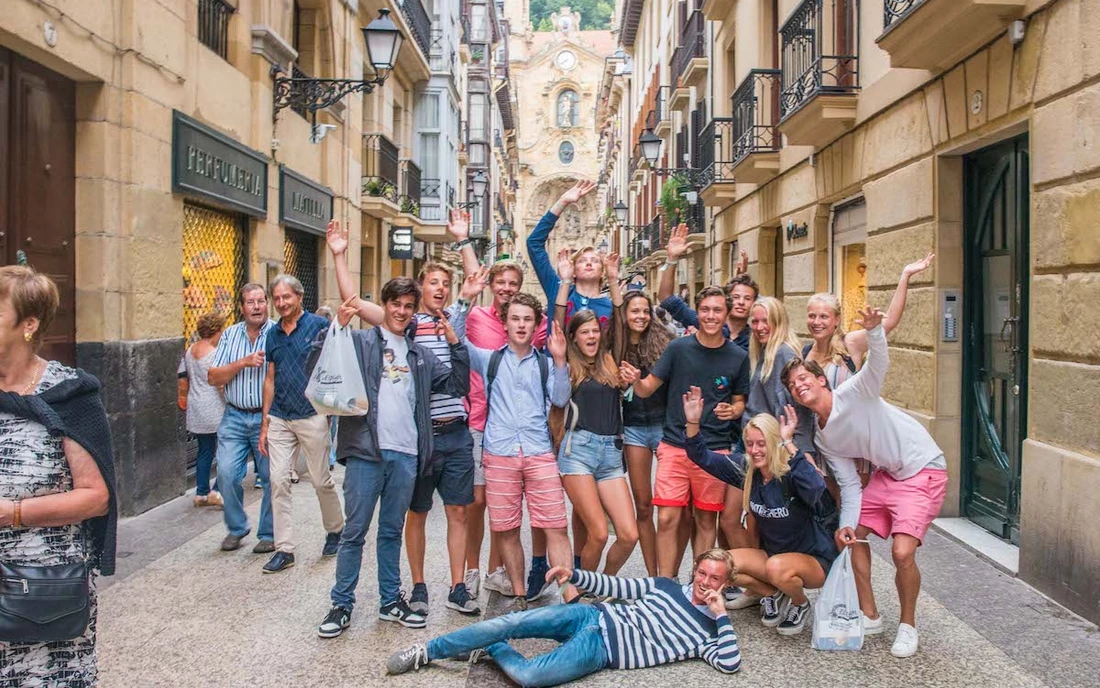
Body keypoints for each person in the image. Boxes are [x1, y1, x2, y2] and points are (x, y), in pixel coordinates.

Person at [326, 219, 482, 617]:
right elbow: (352, 303)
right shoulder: (393, 330)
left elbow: (472, 285)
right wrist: (339, 254)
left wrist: (463, 240)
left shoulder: (444, 330)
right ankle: (353, 602)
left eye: (444, 285)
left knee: (395, 528)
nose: (401, 310)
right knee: (365, 528)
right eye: (432, 283)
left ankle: (403, 596)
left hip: (418, 445)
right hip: (382, 444)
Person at [783, 306, 949, 658]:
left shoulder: (855, 392)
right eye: (793, 386)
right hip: (889, 475)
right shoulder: (824, 438)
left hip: (923, 468)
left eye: (804, 379)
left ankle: (907, 626)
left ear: (822, 380)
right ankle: (869, 614)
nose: (799, 386)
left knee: (903, 552)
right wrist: (845, 524)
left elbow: (878, 366)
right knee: (852, 535)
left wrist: (874, 332)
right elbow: (851, 487)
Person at [385, 548, 742, 685]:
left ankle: (493, 648)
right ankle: (427, 650)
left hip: (603, 650)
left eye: (715, 578)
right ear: (694, 570)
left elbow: (729, 663)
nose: (705, 582)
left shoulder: (708, 633)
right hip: (593, 613)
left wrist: (721, 615)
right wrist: (575, 576)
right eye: (702, 573)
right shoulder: (666, 586)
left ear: (725, 584)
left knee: (529, 677)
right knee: (513, 622)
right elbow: (618, 585)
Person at [0, 265, 115, 685]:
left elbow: (95, 497)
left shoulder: (69, 395)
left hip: (41, 591)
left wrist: (12, 512)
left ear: (28, 324)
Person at [444, 211, 551, 602]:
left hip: (516, 426)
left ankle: (495, 571)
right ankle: (472, 570)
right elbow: (472, 284)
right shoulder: (475, 318)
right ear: (493, 286)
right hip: (477, 418)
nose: (506, 289)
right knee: (478, 500)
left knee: (502, 506)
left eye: (513, 284)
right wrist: (463, 241)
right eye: (501, 283)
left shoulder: (530, 324)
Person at [448, 292, 575, 605]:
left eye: (527, 319)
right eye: (515, 318)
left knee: (556, 525)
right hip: (500, 451)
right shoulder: (489, 358)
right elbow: (456, 337)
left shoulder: (546, 363)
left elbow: (560, 400)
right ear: (504, 323)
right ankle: (519, 595)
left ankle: (568, 597)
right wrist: (465, 300)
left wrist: (560, 360)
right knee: (506, 528)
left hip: (538, 451)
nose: (521, 324)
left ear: (536, 325)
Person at [683, 388, 838, 636]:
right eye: (750, 444)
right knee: (719, 566)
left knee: (777, 567)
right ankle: (772, 594)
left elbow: (817, 487)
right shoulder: (749, 470)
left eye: (762, 444)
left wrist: (789, 444)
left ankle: (799, 603)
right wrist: (693, 421)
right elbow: (700, 456)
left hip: (815, 560)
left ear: (774, 443)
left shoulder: (791, 472)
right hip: (772, 556)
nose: (755, 450)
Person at [618, 287, 750, 580]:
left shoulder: (738, 357)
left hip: (715, 450)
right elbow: (648, 388)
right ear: (697, 312)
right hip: (674, 444)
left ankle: (697, 584)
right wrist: (636, 381)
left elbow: (740, 400)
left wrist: (735, 410)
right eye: (705, 310)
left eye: (717, 310)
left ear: (726, 314)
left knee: (706, 520)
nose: (711, 316)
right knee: (666, 517)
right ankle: (666, 584)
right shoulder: (678, 348)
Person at [803, 254, 935, 487]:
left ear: (836, 320)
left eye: (824, 316)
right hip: (824, 441)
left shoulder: (850, 343)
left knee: (856, 499)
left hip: (856, 440)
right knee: (832, 503)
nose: (817, 321)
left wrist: (905, 275)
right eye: (812, 316)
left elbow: (890, 322)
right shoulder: (804, 354)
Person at [551, 250, 639, 576]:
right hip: (577, 452)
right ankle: (585, 591)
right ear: (573, 337)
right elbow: (558, 322)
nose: (591, 335)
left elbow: (619, 321)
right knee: (598, 533)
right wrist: (564, 281)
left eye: (594, 331)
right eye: (584, 331)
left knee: (629, 535)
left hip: (611, 454)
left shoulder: (610, 360)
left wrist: (614, 280)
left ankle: (604, 583)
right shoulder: (568, 364)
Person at [259, 275, 344, 574]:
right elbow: (269, 379)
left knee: (321, 480)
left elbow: (334, 365)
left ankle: (335, 530)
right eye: (277, 299)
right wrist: (265, 423)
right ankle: (284, 549)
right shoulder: (272, 334)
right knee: (278, 480)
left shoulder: (319, 326)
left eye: (287, 297)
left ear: (299, 296)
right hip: (280, 417)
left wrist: (330, 407)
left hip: (311, 415)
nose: (281, 303)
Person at [605, 257, 674, 577]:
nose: (641, 316)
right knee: (643, 506)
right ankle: (652, 576)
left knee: (670, 507)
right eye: (635, 311)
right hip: (633, 429)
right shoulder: (613, 347)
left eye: (646, 311)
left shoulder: (663, 344)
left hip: (663, 426)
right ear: (625, 315)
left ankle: (667, 574)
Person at [208, 284, 275, 553]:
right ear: (242, 306)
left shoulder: (277, 333)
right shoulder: (230, 335)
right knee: (225, 474)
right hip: (234, 416)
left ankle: (269, 533)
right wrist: (242, 363)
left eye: (261, 301)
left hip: (267, 417)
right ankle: (237, 527)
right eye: (251, 302)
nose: (257, 306)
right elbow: (213, 377)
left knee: (272, 477)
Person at [526, 180, 612, 330]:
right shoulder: (557, 290)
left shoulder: (612, 307)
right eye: (582, 260)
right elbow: (534, 243)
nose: (589, 263)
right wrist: (562, 202)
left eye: (595, 260)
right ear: (573, 271)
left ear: (603, 271)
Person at [659, 227, 755, 349]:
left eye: (747, 298)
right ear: (728, 300)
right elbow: (666, 298)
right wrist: (672, 259)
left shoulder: (756, 338)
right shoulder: (706, 322)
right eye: (736, 297)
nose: (741, 302)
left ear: (754, 302)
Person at [177, 311, 226, 507]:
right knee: (226, 450)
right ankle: (217, 490)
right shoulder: (216, 353)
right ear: (216, 330)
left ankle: (200, 493)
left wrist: (183, 399)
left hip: (196, 407)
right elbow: (221, 383)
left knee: (204, 450)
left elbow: (182, 378)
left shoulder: (190, 351)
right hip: (216, 407)